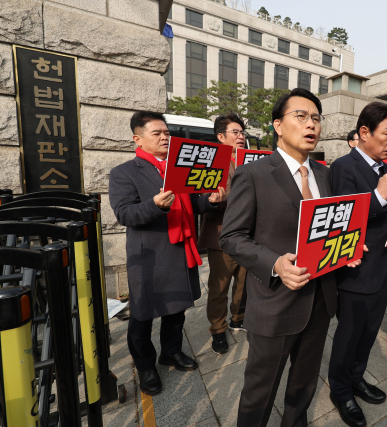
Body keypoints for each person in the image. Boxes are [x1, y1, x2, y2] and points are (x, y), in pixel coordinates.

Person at [219, 88, 361, 427]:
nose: (311, 124)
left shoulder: (325, 174)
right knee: (260, 391)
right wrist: (275, 263)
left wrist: (346, 247)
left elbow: (326, 228)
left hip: (320, 300)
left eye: (316, 118)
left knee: (304, 385)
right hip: (275, 303)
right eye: (301, 116)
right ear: (278, 126)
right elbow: (231, 237)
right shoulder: (253, 174)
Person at [109, 111, 219, 395]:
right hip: (151, 255)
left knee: (176, 310)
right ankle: (145, 366)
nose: (164, 138)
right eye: (156, 133)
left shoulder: (179, 167)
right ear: (138, 139)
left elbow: (193, 203)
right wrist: (155, 205)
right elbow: (124, 214)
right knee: (142, 316)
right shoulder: (125, 172)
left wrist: (210, 200)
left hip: (181, 250)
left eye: (167, 133)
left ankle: (171, 352)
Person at [328, 102, 387, 427]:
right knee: (349, 336)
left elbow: (386, 219)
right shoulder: (344, 167)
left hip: (382, 269)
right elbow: (342, 219)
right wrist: (378, 197)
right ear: (364, 132)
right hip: (356, 271)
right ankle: (340, 390)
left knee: (368, 334)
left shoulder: (385, 169)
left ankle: (356, 378)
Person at [198, 113, 248, 354]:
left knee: (244, 281)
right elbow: (206, 198)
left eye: (242, 132)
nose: (241, 136)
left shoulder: (249, 160)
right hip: (221, 232)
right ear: (220, 136)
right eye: (235, 132)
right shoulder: (211, 161)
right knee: (220, 285)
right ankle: (218, 329)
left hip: (248, 233)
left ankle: (238, 317)